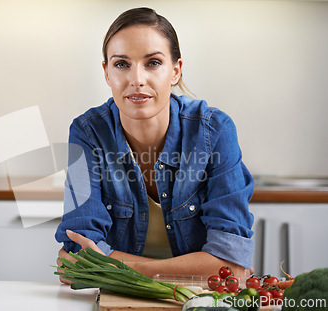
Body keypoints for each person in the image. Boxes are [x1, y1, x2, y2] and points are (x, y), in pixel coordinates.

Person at [55, 7, 254, 282]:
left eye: (153, 63)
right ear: (107, 73)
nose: (137, 80)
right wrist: (197, 268)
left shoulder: (214, 131)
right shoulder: (88, 133)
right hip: (117, 300)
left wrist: (118, 268)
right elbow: (78, 258)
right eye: (122, 64)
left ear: (175, 71)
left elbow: (230, 266)